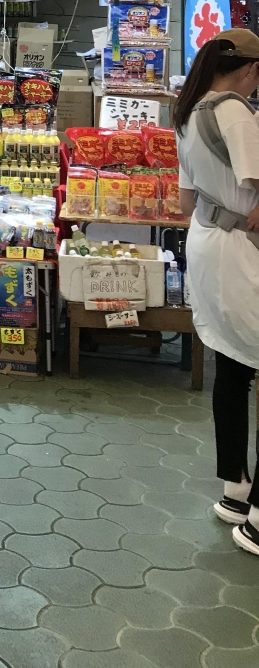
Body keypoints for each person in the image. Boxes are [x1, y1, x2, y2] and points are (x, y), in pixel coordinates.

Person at [175, 28, 259, 556]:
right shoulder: (235, 112)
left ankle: (236, 491)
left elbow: (187, 201)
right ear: (251, 69)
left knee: (232, 365)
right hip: (242, 253)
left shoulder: (189, 111)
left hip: (207, 243)